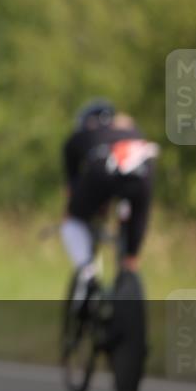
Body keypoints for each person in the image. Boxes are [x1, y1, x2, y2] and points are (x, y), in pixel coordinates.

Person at [60, 99, 158, 291]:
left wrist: (75, 205)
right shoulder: (131, 130)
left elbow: (73, 184)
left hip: (101, 170)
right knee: (136, 220)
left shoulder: (82, 133)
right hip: (144, 171)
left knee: (73, 220)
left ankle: (87, 271)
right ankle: (129, 265)